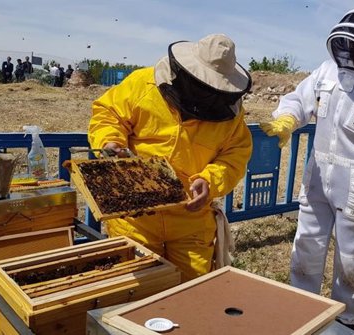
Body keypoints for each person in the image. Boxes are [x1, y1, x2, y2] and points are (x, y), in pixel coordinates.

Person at [259, 0, 354, 329]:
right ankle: (301, 304)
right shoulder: (327, 71)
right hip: (319, 174)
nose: (351, 52)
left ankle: (348, 319)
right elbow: (298, 98)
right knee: (307, 242)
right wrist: (286, 119)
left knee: (352, 257)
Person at [88, 34, 252, 282]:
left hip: (191, 218)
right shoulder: (142, 84)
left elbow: (235, 156)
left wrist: (209, 181)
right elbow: (109, 114)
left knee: (193, 293)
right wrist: (111, 141)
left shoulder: (232, 115)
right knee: (137, 291)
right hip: (136, 215)